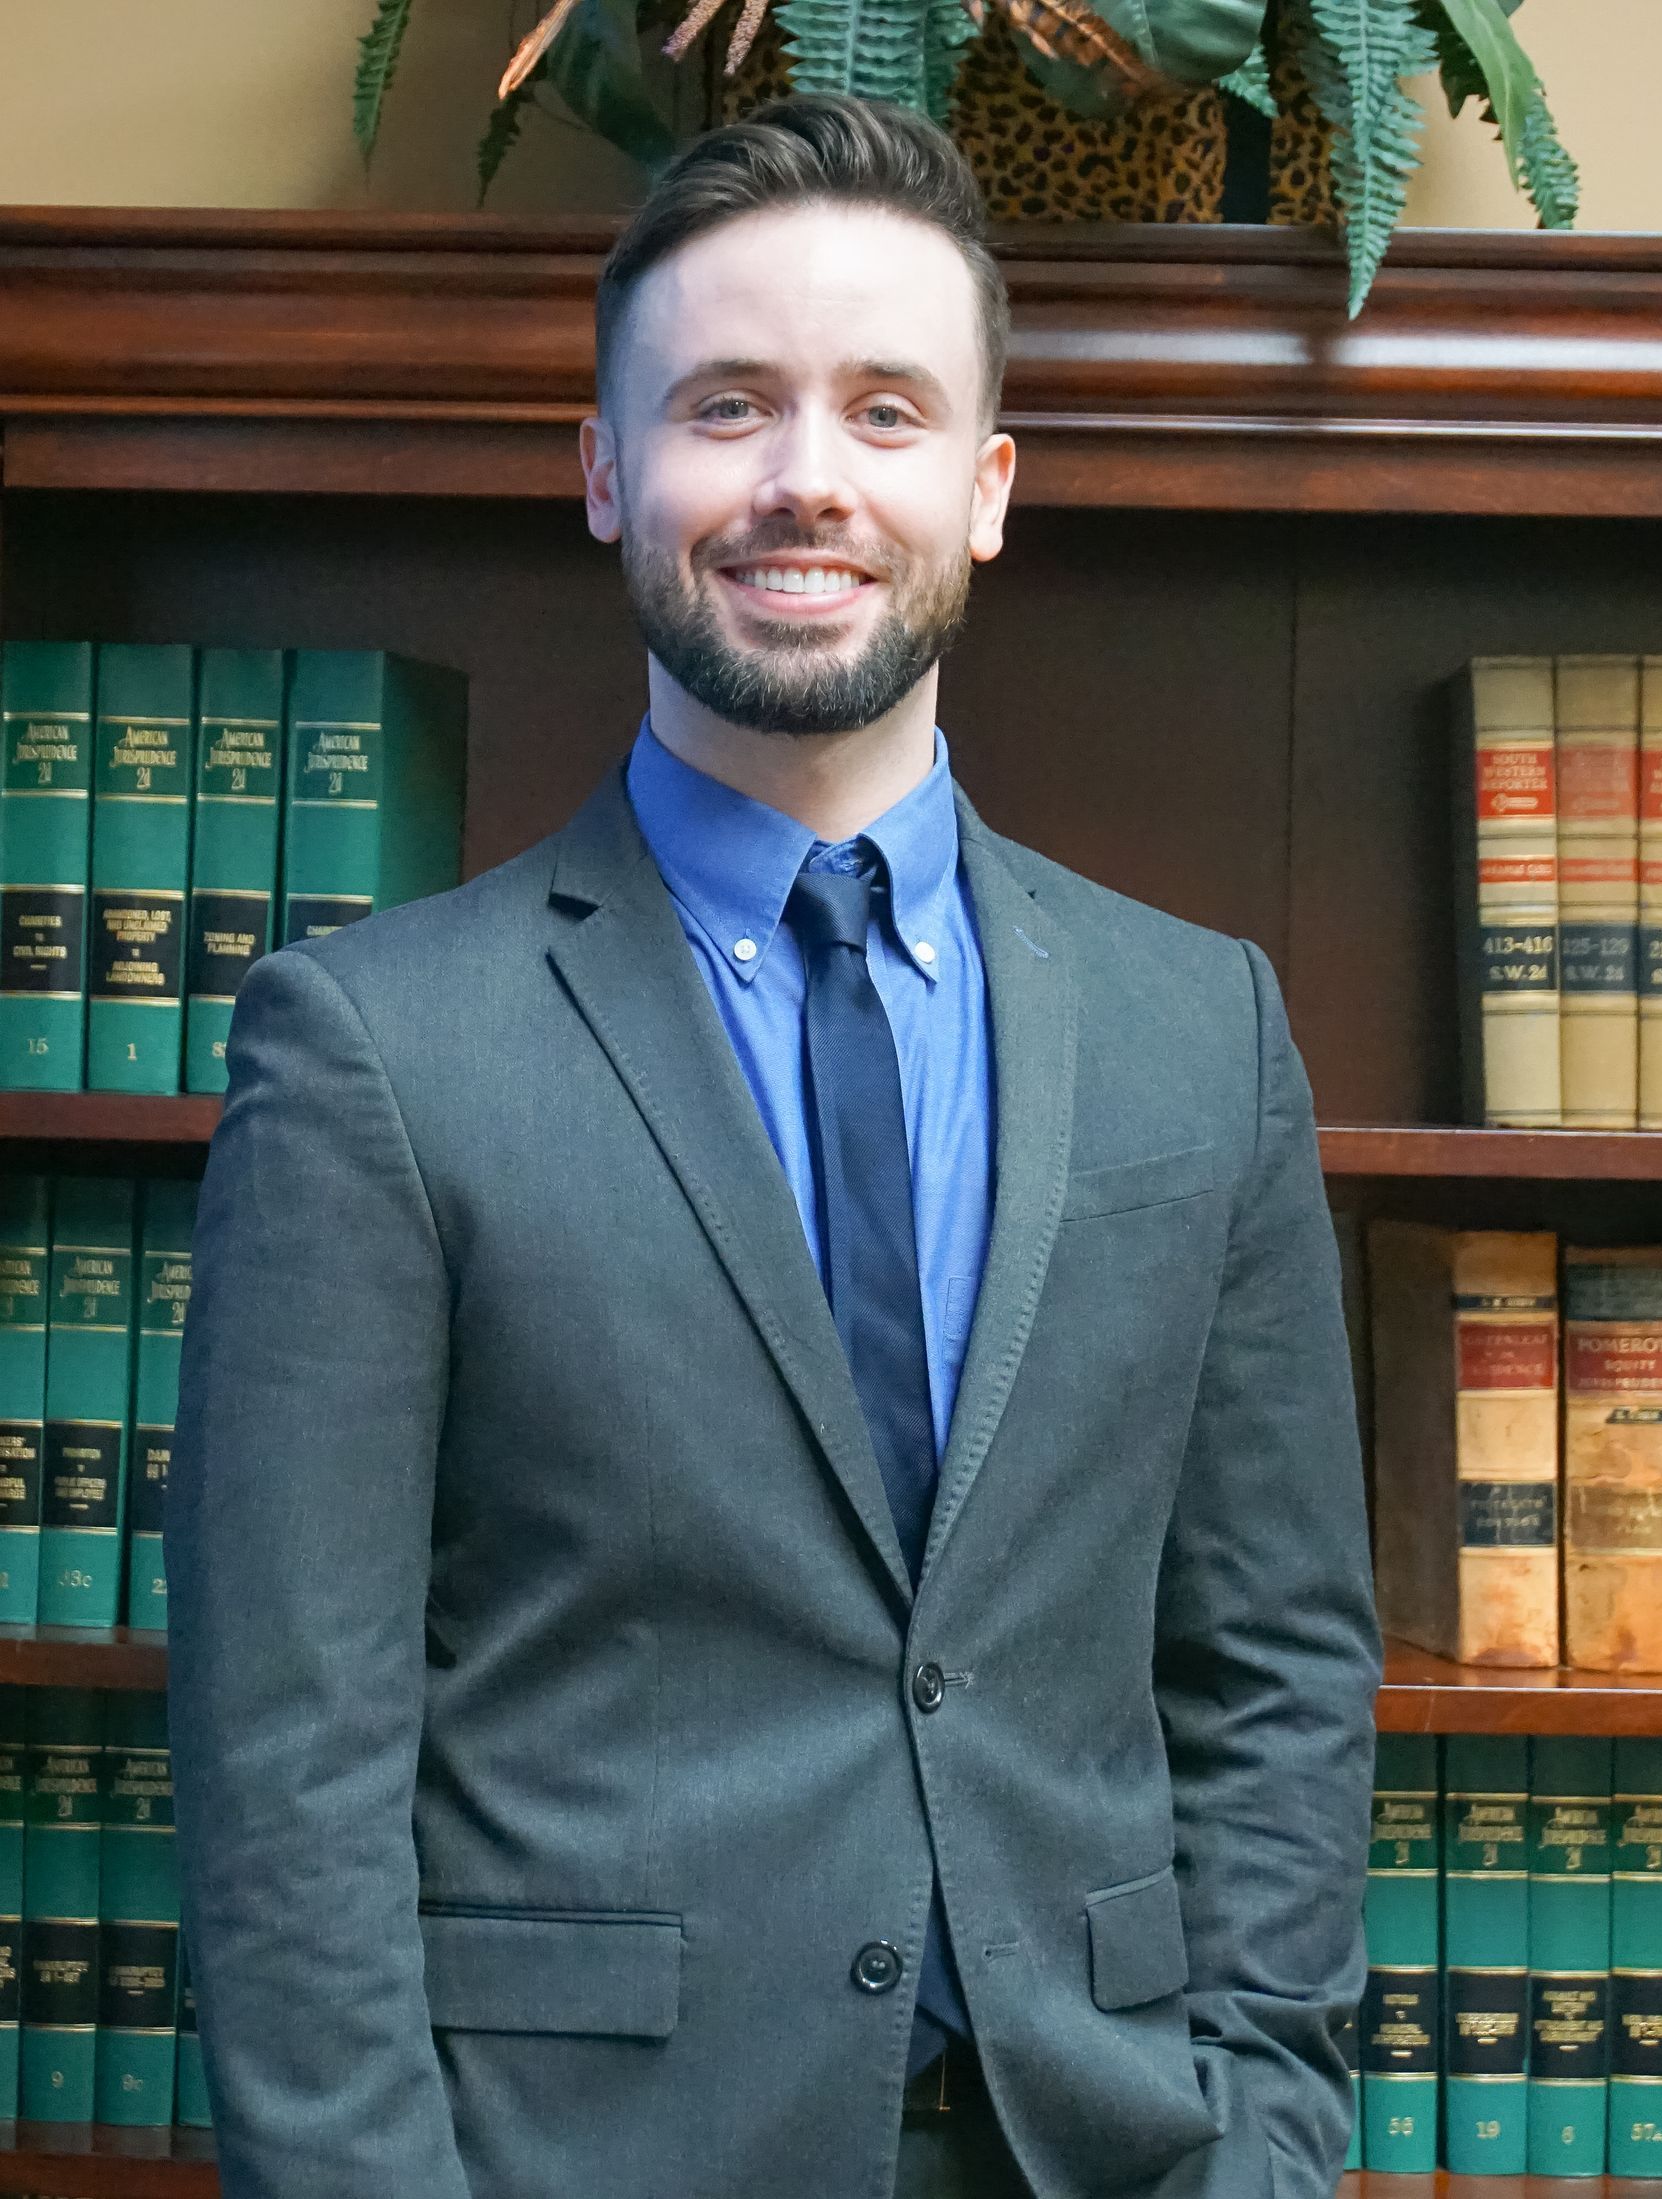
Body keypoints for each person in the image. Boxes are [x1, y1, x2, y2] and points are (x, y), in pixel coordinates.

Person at [167, 91, 1380, 2199]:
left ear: (987, 489)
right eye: (727, 404)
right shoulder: (372, 1049)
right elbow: (288, 1756)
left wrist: (1268, 2134)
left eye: (885, 410)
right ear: (607, 470)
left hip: (1103, 2150)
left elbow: (1278, 1663)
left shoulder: (1208, 1033)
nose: (807, 477)